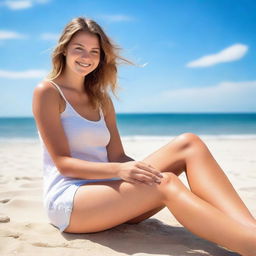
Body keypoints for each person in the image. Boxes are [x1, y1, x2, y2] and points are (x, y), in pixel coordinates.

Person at [32, 16, 256, 255]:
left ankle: (250, 230)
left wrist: (136, 170)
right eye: (79, 49)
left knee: (189, 143)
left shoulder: (101, 99)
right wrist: (122, 172)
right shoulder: (47, 92)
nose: (86, 57)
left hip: (108, 193)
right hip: (71, 202)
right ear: (64, 50)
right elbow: (64, 164)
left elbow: (116, 155)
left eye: (94, 51)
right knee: (166, 182)